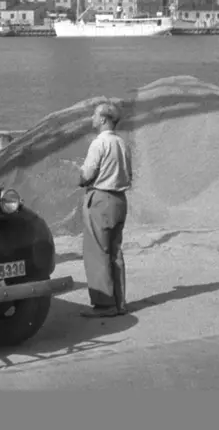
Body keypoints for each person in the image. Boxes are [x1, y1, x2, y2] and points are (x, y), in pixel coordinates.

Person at [77, 100, 132, 318]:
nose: (91, 118)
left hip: (101, 198)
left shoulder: (99, 143)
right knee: (115, 251)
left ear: (102, 119)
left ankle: (104, 304)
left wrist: (79, 177)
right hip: (120, 199)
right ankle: (119, 303)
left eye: (94, 115)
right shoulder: (123, 143)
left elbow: (87, 175)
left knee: (97, 252)